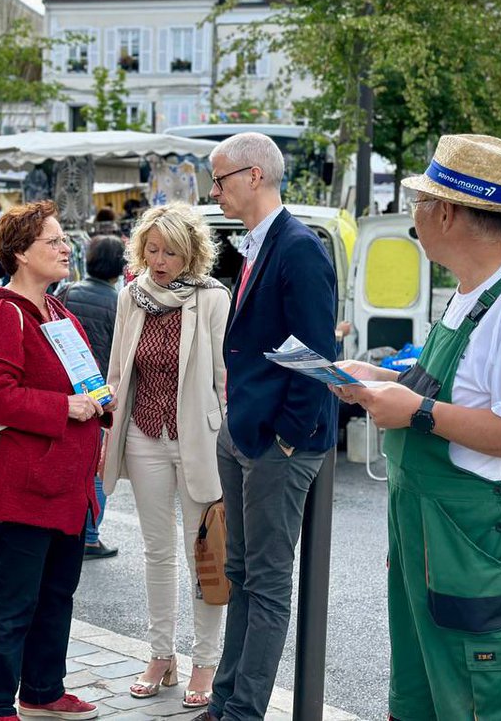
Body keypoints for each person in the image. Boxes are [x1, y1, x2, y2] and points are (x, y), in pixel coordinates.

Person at [331, 134, 501, 721]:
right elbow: (456, 390)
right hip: (435, 541)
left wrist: (414, 411)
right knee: (423, 698)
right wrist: (377, 379)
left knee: (482, 697)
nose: (413, 212)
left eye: (420, 200)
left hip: (480, 550)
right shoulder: (471, 291)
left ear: (444, 212)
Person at [201, 132, 337, 721]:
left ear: (254, 176)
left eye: (221, 179)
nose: (215, 190)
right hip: (246, 431)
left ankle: (243, 711)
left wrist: (286, 434)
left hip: (279, 441)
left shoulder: (298, 246)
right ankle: (228, 700)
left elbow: (312, 353)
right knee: (238, 572)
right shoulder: (258, 243)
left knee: (266, 581)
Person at [0, 200, 113, 721]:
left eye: (64, 238)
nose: (65, 246)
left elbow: (83, 384)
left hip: (67, 487)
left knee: (55, 596)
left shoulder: (59, 311)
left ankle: (44, 690)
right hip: (24, 486)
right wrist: (63, 407)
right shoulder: (3, 314)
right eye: (52, 240)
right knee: (11, 602)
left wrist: (100, 408)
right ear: (21, 254)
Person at [103, 204, 229, 708]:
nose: (159, 260)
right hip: (142, 434)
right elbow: (117, 368)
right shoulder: (130, 297)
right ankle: (161, 654)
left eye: (170, 251)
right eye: (152, 249)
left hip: (198, 436)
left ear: (192, 252)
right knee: (156, 551)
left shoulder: (213, 298)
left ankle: (206, 660)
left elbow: (225, 375)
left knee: (205, 555)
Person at [56, 235, 125, 561]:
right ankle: (91, 535)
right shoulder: (119, 302)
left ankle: (67, 527)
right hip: (99, 396)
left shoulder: (66, 292)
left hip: (63, 391)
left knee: (66, 462)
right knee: (97, 466)